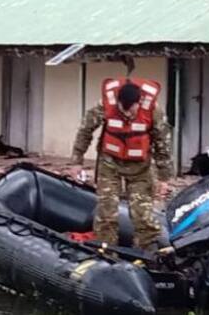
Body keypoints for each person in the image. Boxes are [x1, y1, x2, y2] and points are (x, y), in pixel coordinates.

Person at [72, 77, 173, 249]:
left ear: (138, 102)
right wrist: (77, 161)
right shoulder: (105, 105)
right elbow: (85, 130)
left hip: (140, 169)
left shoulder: (153, 111)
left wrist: (164, 179)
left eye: (131, 110)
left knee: (143, 216)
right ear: (118, 102)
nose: (127, 115)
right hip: (110, 164)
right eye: (123, 110)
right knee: (106, 213)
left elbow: (163, 144)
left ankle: (147, 254)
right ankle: (106, 252)